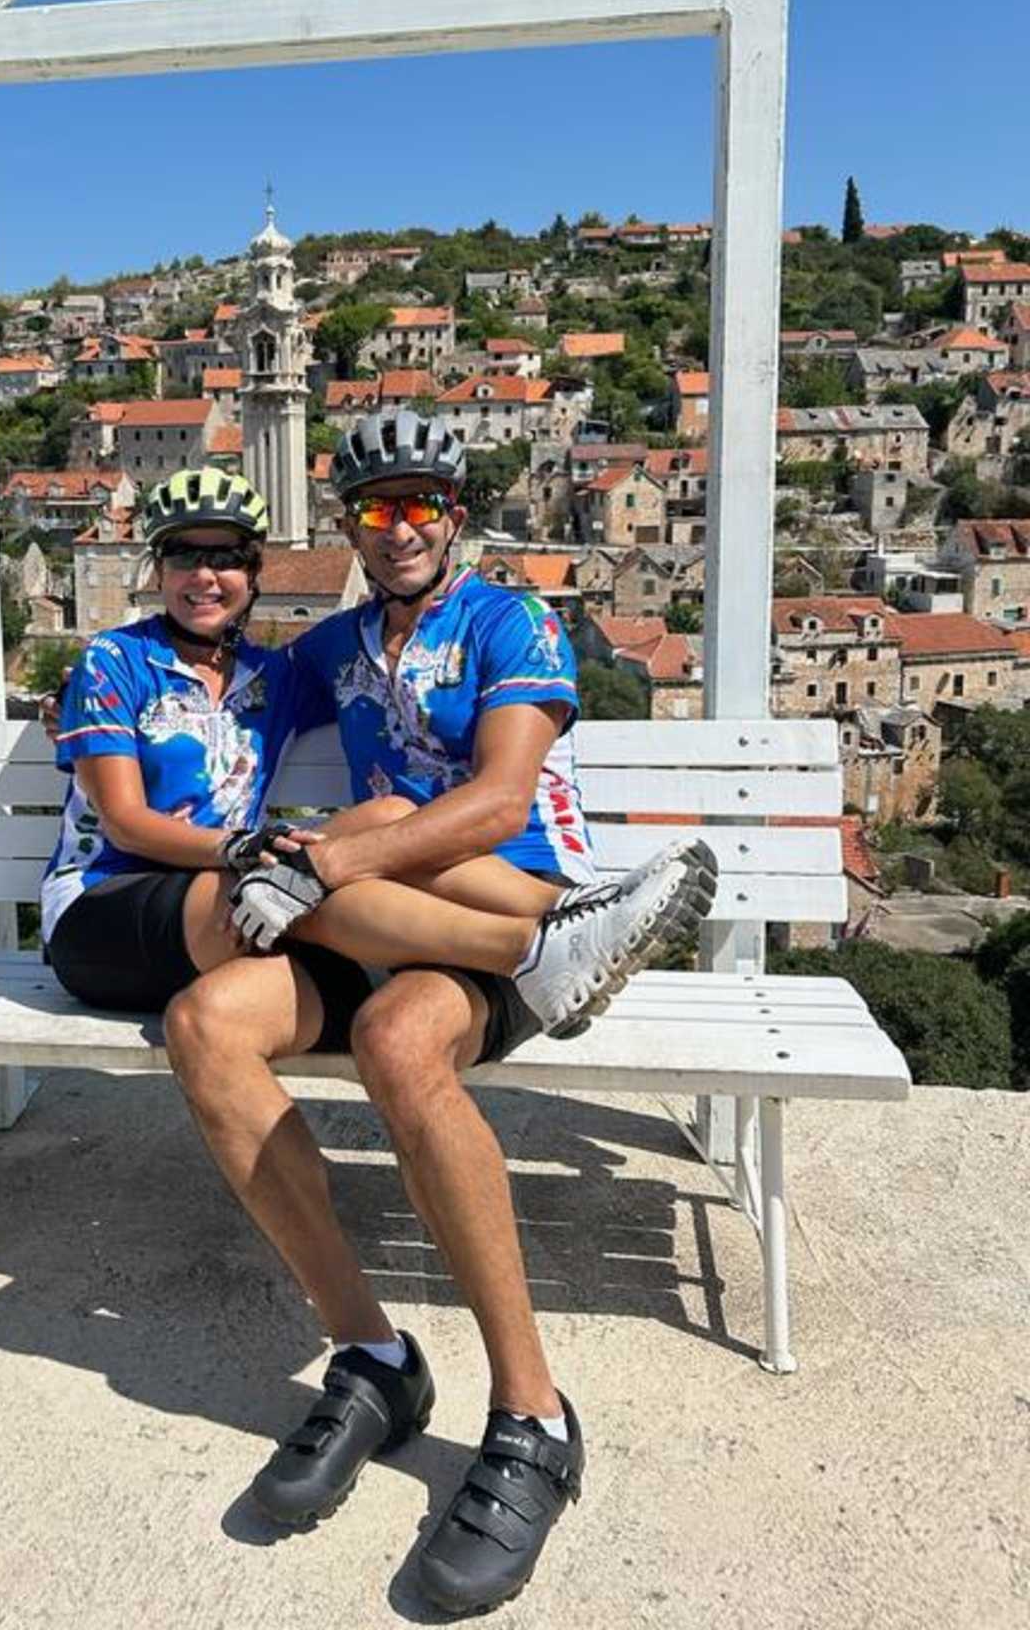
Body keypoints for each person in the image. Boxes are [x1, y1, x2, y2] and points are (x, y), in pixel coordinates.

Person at [162, 410, 717, 1615]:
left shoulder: (510, 618)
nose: (399, 527)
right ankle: (373, 1358)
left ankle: (532, 1416)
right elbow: (233, 665)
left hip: (497, 883)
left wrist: (330, 859)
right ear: (351, 528)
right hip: (383, 908)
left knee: (394, 1029)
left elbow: (498, 797)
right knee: (204, 1026)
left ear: (455, 513)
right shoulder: (341, 641)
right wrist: (144, 652)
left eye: (421, 505)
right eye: (375, 509)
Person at [39, 465, 375, 1045]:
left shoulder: (276, 679)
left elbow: (376, 652)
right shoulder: (115, 660)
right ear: (158, 569)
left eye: (226, 558)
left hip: (232, 901)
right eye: (182, 556)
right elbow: (125, 823)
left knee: (361, 1005)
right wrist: (242, 848)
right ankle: (516, 952)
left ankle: (520, 952)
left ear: (254, 572)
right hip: (102, 903)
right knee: (292, 892)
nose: (204, 576)